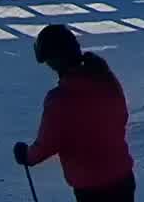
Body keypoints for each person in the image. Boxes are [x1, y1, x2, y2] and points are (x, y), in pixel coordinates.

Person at [14, 24, 136, 202]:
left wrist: (27, 156)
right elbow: (121, 114)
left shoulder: (60, 100)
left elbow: (47, 144)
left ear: (55, 60)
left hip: (92, 187)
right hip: (123, 177)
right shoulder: (104, 76)